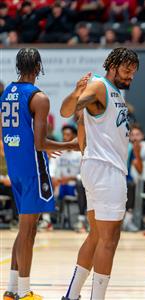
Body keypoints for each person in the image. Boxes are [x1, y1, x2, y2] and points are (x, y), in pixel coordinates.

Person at [59, 47, 139, 300]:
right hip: (106, 170)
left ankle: (71, 296)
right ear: (113, 66)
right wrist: (76, 94)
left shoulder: (113, 92)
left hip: (97, 167)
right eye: (127, 71)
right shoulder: (99, 86)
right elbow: (68, 111)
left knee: (96, 236)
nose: (130, 77)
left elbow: (83, 122)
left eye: (133, 73)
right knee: (109, 239)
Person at [1, 48, 79, 300]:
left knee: (26, 228)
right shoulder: (39, 98)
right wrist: (71, 145)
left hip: (15, 165)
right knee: (27, 230)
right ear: (38, 67)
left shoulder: (6, 93)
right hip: (32, 166)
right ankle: (24, 292)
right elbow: (40, 143)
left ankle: (12, 289)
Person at [46, 125, 84, 232]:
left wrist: (72, 178)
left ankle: (81, 221)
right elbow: (51, 167)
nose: (65, 137)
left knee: (81, 184)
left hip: (75, 186)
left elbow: (84, 172)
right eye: (63, 135)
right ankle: (47, 220)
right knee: (47, 184)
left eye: (68, 135)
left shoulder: (80, 153)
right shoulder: (58, 152)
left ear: (74, 137)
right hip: (60, 185)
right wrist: (53, 178)